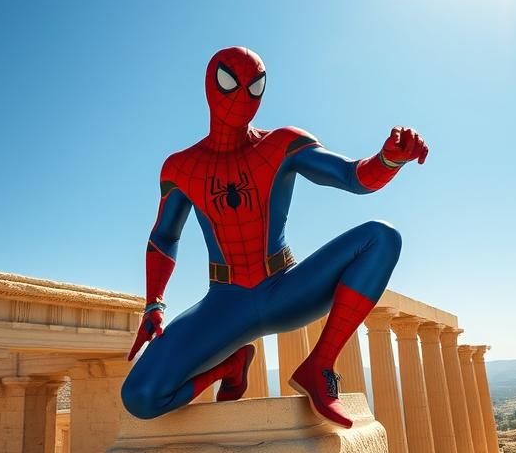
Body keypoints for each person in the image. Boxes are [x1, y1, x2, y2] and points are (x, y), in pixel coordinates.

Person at [122, 46, 428, 429]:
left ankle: (320, 365)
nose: (241, 98)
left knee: (382, 238)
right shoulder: (182, 167)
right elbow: (164, 236)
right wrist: (154, 304)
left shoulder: (282, 144)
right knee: (140, 398)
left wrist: (389, 159)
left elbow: (353, 177)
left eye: (255, 87)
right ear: (209, 86)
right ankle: (229, 366)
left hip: (287, 289)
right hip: (224, 304)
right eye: (229, 83)